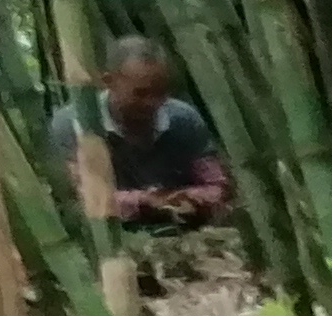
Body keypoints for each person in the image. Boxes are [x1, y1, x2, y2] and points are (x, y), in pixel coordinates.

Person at [52, 40, 231, 230]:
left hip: (189, 231)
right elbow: (85, 197)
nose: (152, 103)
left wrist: (187, 198)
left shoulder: (183, 119)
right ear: (108, 82)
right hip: (111, 236)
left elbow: (216, 186)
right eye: (140, 93)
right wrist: (146, 201)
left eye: (160, 93)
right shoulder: (76, 124)